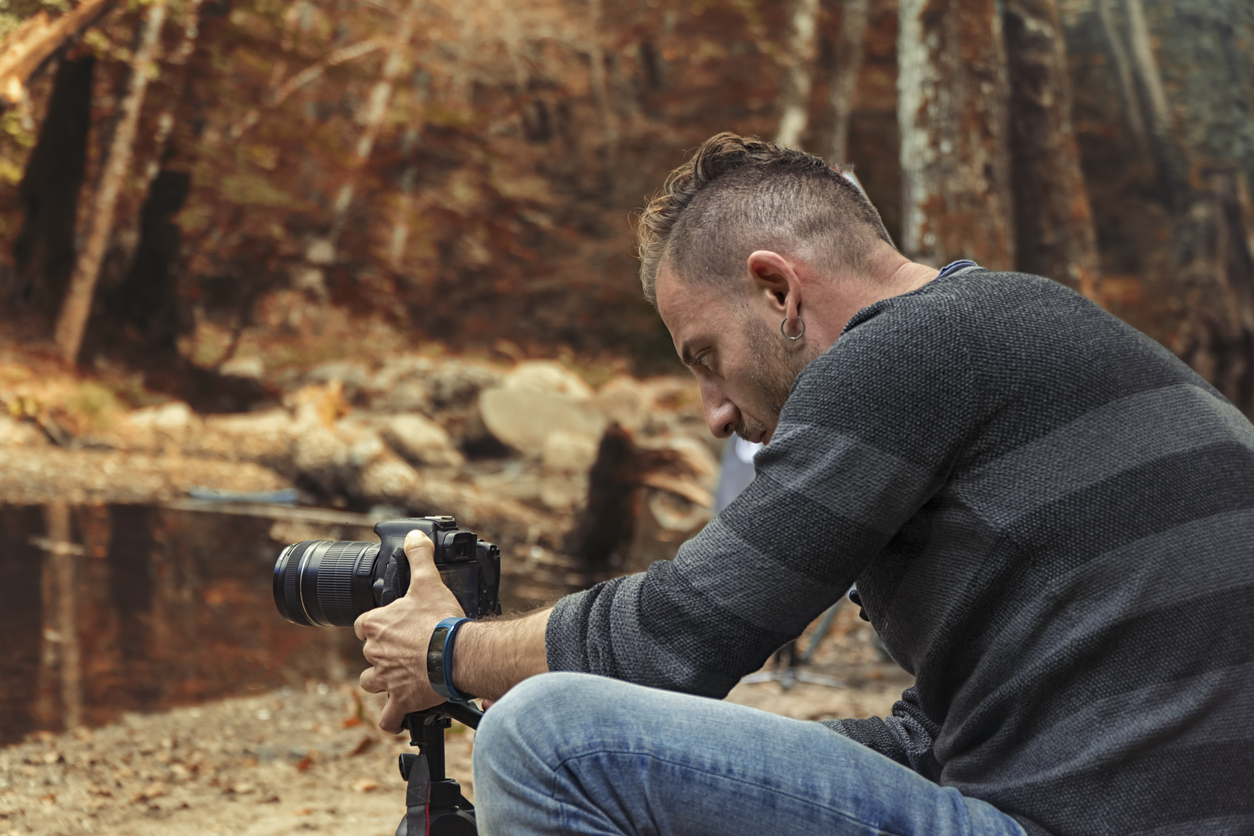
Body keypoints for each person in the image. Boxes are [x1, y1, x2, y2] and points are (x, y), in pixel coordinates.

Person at [354, 133, 1254, 836]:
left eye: (704, 357)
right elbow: (942, 734)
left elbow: (679, 635)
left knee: (549, 738)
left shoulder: (908, 350)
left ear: (778, 290)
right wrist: (706, 770)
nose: (712, 413)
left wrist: (443, 651)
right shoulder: (1029, 328)